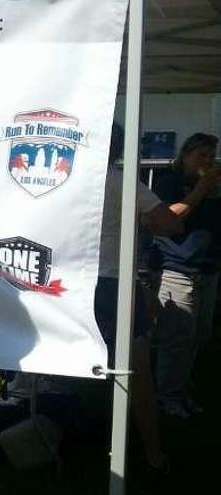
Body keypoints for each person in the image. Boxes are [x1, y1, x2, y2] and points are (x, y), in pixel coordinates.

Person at [94, 122, 180, 468]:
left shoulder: (73, 180)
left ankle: (58, 425)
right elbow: (169, 223)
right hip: (114, 282)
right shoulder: (123, 182)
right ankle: (153, 452)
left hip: (78, 280)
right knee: (138, 369)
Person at [150, 132, 221, 418]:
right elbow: (170, 217)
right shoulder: (170, 182)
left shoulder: (212, 188)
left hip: (207, 268)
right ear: (185, 155)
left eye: (211, 155)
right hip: (178, 268)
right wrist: (202, 188)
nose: (207, 161)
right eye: (200, 154)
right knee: (176, 338)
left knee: (199, 337)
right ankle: (167, 397)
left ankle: (181, 389)